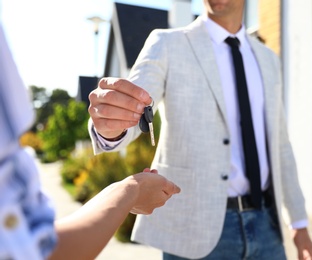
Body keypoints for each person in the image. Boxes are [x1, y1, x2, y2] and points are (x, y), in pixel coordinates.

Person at [88, 0, 312, 259]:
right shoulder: (167, 44)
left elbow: (281, 145)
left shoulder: (268, 59)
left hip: (267, 227)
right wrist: (111, 125)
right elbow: (134, 107)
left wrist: (299, 223)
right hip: (193, 230)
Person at [0, 20, 180, 260]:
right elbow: (31, 248)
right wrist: (111, 126)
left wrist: (130, 191)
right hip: (189, 233)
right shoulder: (168, 43)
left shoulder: (251, 47)